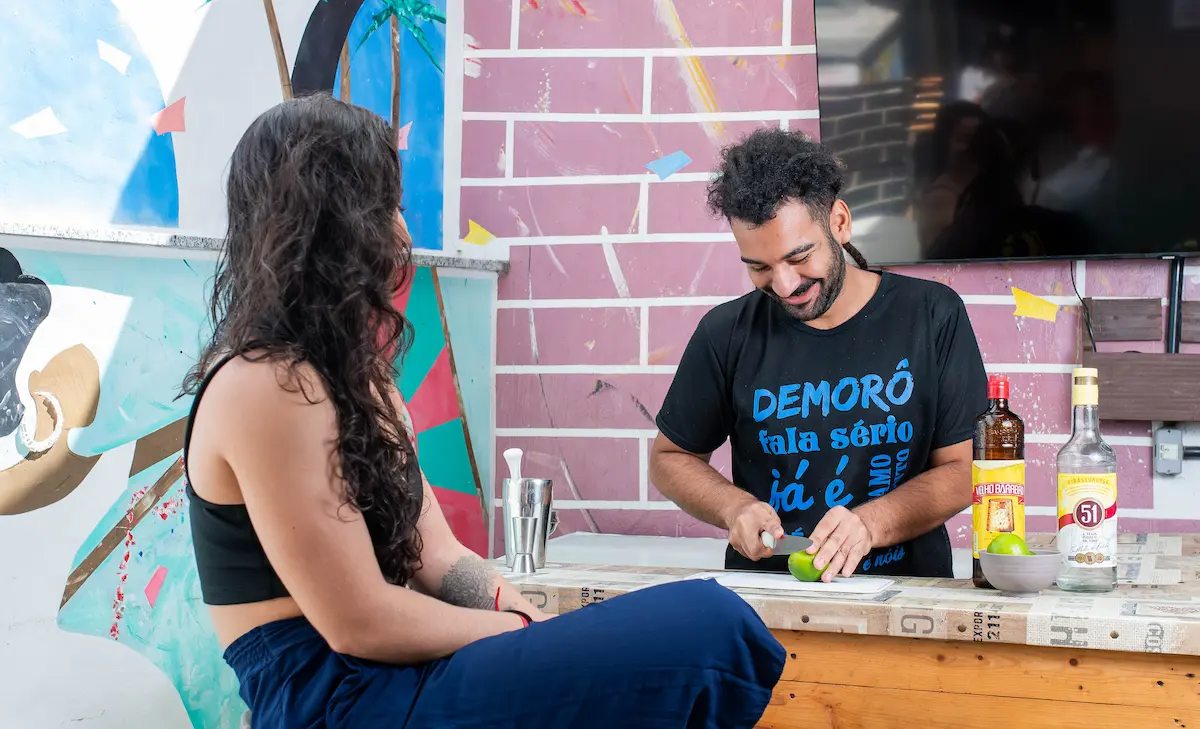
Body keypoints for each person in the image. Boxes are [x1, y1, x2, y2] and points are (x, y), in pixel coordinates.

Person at [181, 94, 784, 729]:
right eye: (388, 208)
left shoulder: (358, 380)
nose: (403, 234)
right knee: (709, 625)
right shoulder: (268, 384)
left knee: (695, 628)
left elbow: (437, 557)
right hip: (336, 699)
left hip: (395, 674)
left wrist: (531, 623)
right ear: (338, 227)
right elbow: (358, 623)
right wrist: (512, 631)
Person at [650, 129, 989, 581]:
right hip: (767, 602)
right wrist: (735, 508)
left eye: (799, 257)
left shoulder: (932, 314)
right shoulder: (725, 332)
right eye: (759, 267)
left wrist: (870, 524)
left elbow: (968, 470)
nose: (785, 286)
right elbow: (669, 458)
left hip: (904, 594)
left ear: (840, 222)